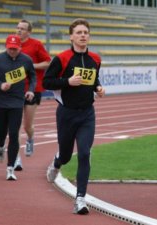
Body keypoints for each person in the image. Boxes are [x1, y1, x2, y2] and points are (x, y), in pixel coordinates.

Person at [42, 18, 105, 214]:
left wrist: (98, 88)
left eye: (85, 32)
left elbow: (93, 79)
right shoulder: (61, 58)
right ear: (71, 37)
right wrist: (68, 81)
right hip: (66, 114)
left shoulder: (95, 58)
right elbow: (47, 82)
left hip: (87, 114)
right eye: (79, 32)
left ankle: (80, 199)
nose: (83, 35)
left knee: (85, 153)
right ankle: (57, 161)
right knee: (67, 155)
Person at [0, 34, 36, 180]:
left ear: (20, 47)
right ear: (6, 47)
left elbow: (32, 77)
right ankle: (0, 146)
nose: (12, 51)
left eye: (15, 48)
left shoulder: (26, 60)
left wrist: (31, 90)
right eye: (10, 48)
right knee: (1, 134)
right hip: (0, 102)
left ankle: (10, 168)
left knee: (13, 134)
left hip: (17, 102)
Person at [14, 19, 51, 171]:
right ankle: (16, 158)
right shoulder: (12, 43)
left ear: (29, 32)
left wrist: (31, 66)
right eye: (17, 28)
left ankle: (30, 138)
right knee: (14, 127)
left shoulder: (36, 44)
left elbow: (48, 62)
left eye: (22, 29)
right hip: (15, 89)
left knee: (27, 125)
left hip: (33, 88)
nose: (19, 31)